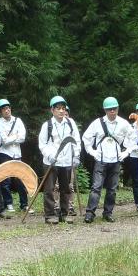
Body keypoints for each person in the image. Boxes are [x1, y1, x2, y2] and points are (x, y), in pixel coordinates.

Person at [82, 97, 131, 223]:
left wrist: (126, 152)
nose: (112, 111)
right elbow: (86, 138)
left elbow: (134, 138)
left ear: (118, 108)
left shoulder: (124, 123)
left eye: (114, 109)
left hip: (116, 160)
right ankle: (90, 213)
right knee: (96, 187)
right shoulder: (97, 123)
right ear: (105, 110)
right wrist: (92, 152)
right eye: (109, 109)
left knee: (112, 189)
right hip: (101, 160)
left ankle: (108, 213)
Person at [38, 96, 81, 224]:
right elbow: (42, 144)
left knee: (65, 188)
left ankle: (64, 213)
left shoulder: (70, 123)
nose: (61, 111)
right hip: (51, 161)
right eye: (58, 108)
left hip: (67, 160)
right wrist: (49, 155)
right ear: (52, 110)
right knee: (49, 189)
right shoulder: (47, 125)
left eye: (63, 108)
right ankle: (50, 215)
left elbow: (76, 140)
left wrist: (76, 155)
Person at [0, 98, 30, 213]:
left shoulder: (18, 120)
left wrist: (12, 138)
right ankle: (8, 203)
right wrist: (15, 137)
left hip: (16, 153)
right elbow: (4, 141)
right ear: (1, 111)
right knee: (6, 180)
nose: (7, 110)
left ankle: (24, 204)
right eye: (4, 109)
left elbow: (23, 137)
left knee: (20, 178)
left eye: (8, 108)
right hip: (4, 153)